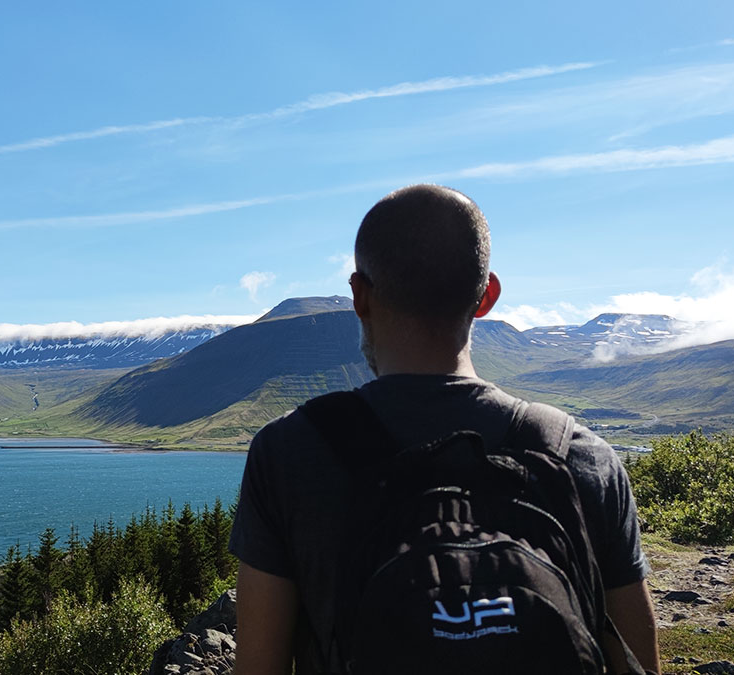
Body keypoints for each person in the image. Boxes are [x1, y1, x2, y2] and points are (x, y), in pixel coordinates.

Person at [230, 184, 660, 674]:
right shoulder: (583, 458)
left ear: (359, 296)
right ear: (487, 296)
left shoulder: (290, 453)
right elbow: (637, 662)